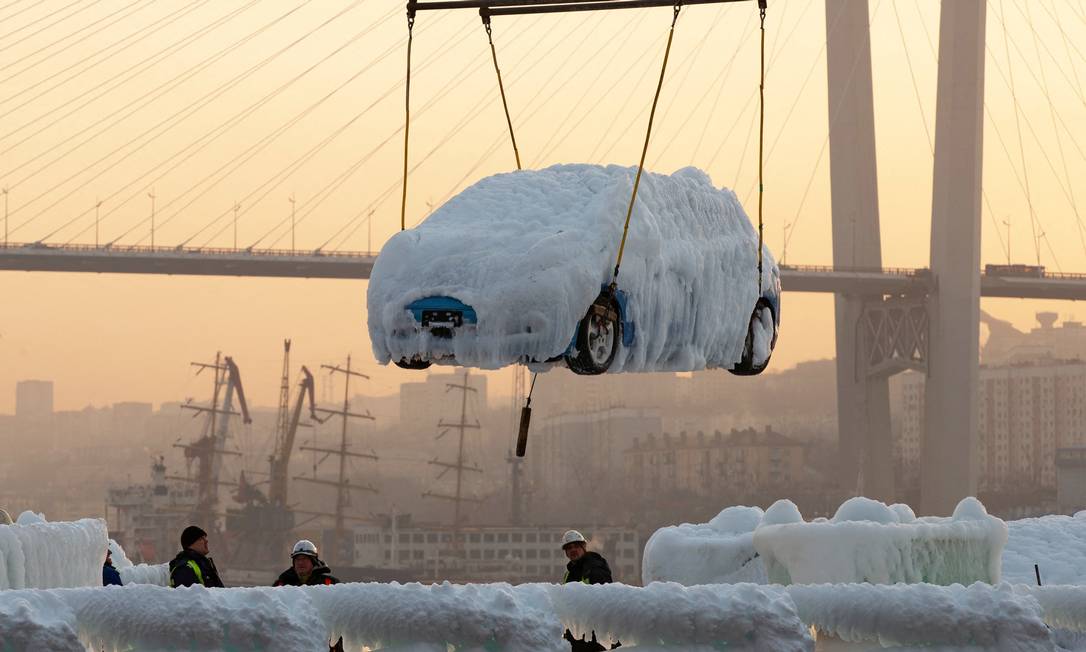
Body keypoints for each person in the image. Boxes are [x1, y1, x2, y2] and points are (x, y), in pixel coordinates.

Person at [560, 530, 620, 650]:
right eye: (569, 548)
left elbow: (605, 599)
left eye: (576, 546)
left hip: (593, 633)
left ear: (584, 547)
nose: (573, 550)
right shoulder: (569, 574)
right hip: (575, 632)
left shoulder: (595, 567)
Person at [272, 539, 340, 587]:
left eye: (305, 559)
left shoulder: (330, 583)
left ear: (313, 562)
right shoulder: (281, 585)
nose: (300, 562)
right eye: (297, 559)